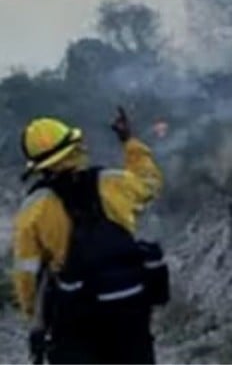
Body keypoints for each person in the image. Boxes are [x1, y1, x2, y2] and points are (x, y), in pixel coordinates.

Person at [12, 108, 163, 364]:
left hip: (76, 318)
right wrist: (129, 141)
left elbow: (26, 274)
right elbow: (150, 183)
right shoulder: (111, 182)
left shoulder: (33, 209)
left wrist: (36, 319)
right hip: (129, 307)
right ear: (74, 147)